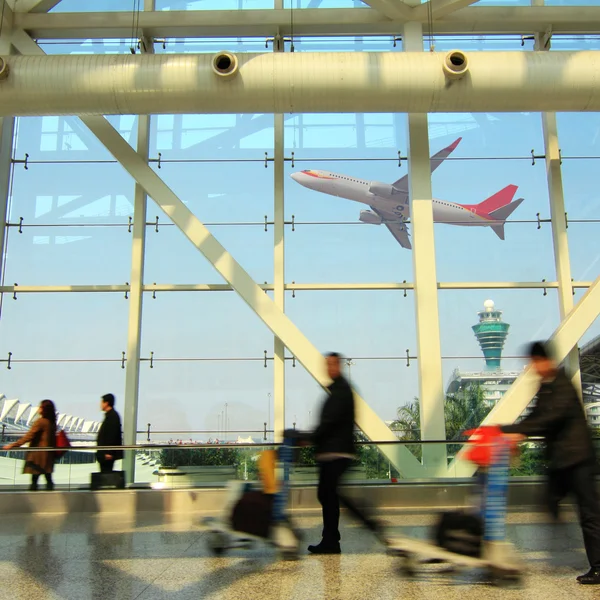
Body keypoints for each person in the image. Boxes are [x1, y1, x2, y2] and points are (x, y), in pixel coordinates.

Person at [500, 341, 600, 585]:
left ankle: (598, 567)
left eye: (534, 363)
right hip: (561, 462)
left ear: (544, 361)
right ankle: (564, 540)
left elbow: (550, 417)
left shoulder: (562, 385)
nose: (532, 368)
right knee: (549, 500)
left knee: (590, 514)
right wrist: (507, 429)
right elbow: (537, 416)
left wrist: (517, 431)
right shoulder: (546, 387)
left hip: (578, 461)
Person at [307, 352, 380, 555]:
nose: (328, 368)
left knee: (330, 494)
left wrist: (310, 438)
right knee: (329, 494)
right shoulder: (340, 390)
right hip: (335, 451)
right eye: (326, 365)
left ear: (338, 366)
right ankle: (331, 538)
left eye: (331, 364)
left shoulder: (340, 391)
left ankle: (360, 525)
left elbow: (329, 422)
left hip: (336, 453)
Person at [3, 399, 57, 491]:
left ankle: (35, 499)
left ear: (44, 409)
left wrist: (14, 445)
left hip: (38, 457)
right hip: (48, 456)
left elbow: (29, 436)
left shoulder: (40, 422)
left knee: (34, 480)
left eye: (40, 407)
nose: (38, 408)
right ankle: (52, 498)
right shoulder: (52, 422)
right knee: (48, 479)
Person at [96, 393, 123, 473]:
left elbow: (112, 435)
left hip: (107, 454)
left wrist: (109, 452)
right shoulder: (110, 416)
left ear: (106, 403)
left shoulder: (112, 416)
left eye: (102, 402)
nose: (100, 404)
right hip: (105, 453)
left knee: (106, 475)